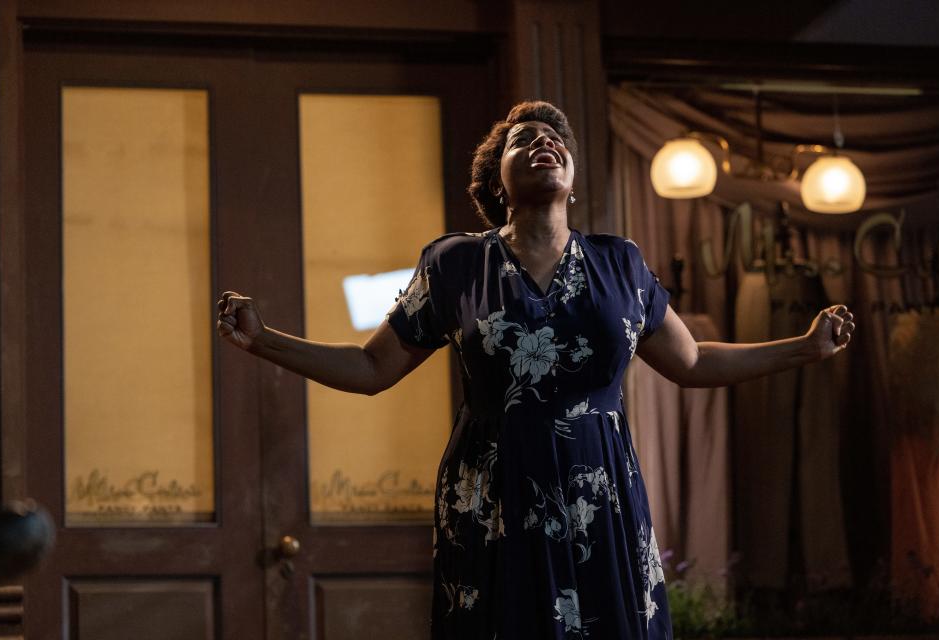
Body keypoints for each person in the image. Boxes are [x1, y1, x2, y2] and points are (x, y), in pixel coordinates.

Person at [216, 101, 855, 639]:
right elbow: (370, 366)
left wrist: (803, 347)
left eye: (555, 137)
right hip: (493, 495)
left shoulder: (621, 265)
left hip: (598, 494)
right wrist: (264, 341)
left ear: (573, 177)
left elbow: (689, 361)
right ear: (497, 180)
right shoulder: (455, 267)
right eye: (523, 138)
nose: (543, 140)